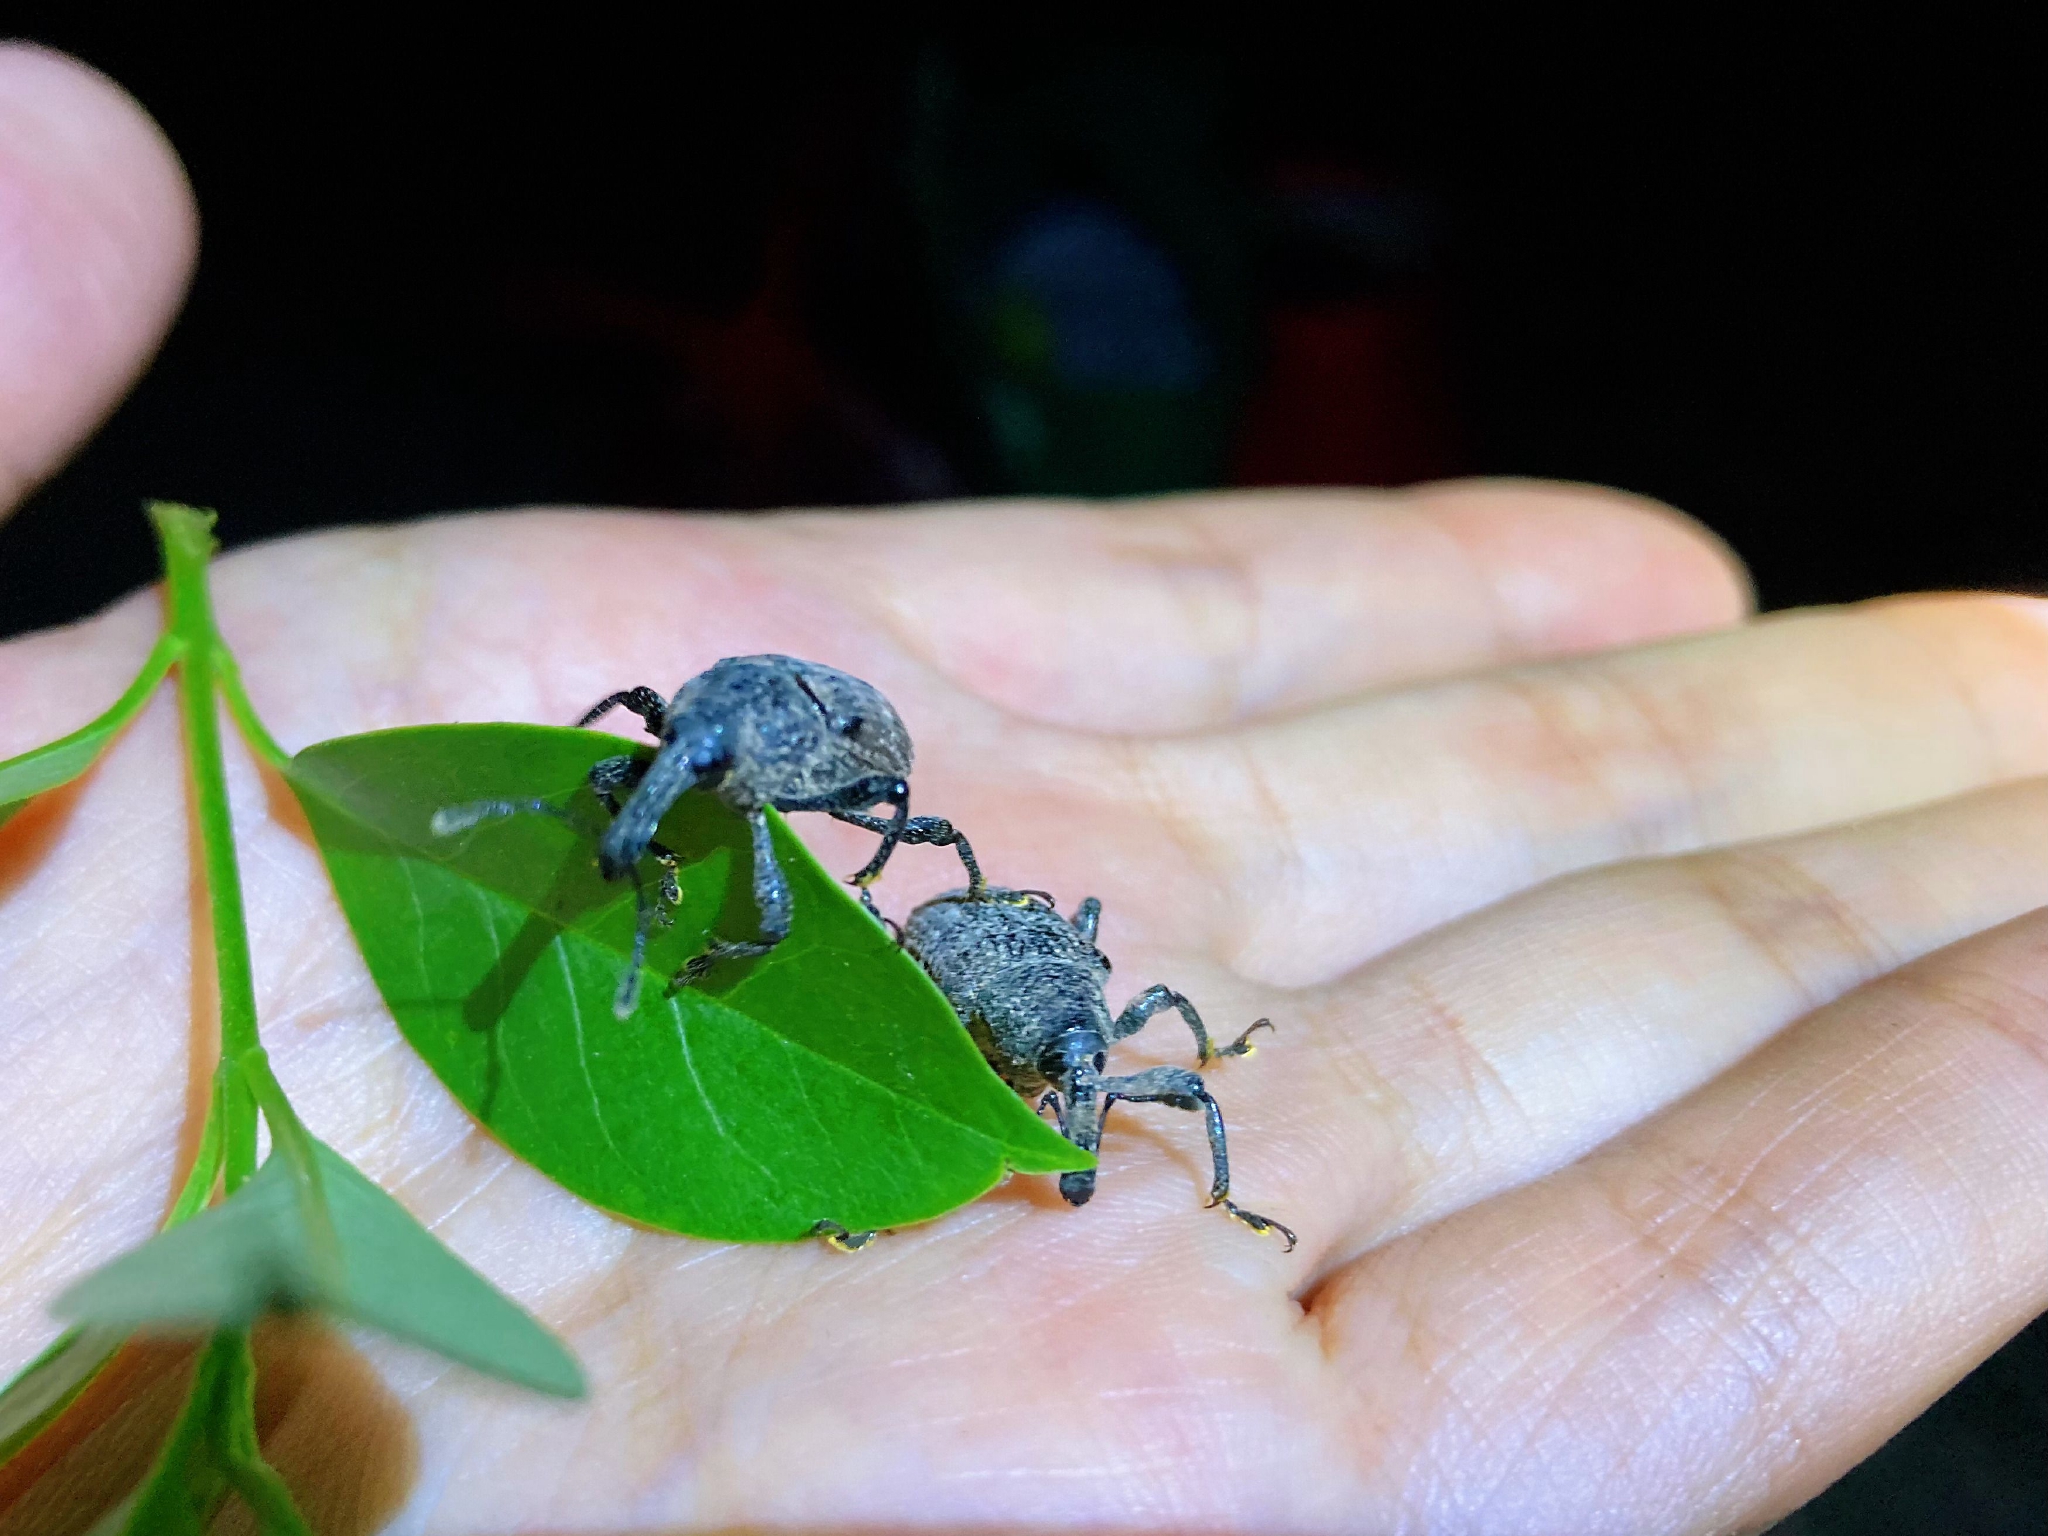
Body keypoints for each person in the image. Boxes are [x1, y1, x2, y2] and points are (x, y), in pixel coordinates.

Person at [1, 43, 2044, 1534]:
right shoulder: (747, 797)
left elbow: (1123, 1042)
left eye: (1086, 1128)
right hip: (820, 802)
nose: (1084, 1145)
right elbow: (776, 864)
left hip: (925, 874)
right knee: (711, 850)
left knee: (998, 980)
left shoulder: (1072, 1024)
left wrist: (1191, 1158)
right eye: (1085, 1133)